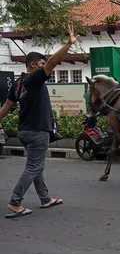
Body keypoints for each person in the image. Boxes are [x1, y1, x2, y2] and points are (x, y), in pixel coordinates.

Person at [0, 27, 78, 218]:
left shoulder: (18, 83)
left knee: (37, 166)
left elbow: (7, 106)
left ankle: (45, 198)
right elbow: (53, 61)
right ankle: (15, 203)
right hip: (37, 131)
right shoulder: (34, 79)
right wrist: (68, 44)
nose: (47, 67)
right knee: (33, 167)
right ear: (34, 65)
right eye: (42, 64)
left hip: (25, 131)